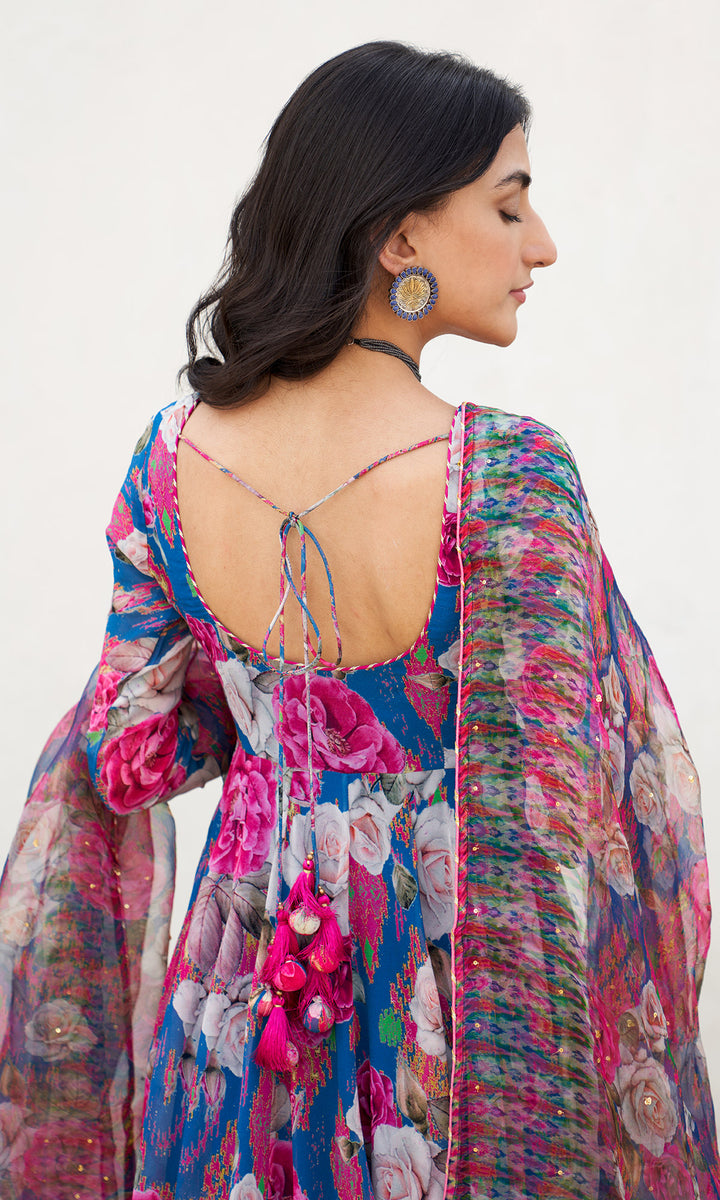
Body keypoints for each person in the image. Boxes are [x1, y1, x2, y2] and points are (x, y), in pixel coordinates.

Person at [0, 39, 716, 1200]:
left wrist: (272, 718)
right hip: (453, 1027)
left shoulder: (169, 463)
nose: (541, 245)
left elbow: (130, 755)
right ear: (402, 239)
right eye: (510, 205)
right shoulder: (511, 484)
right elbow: (588, 817)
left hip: (234, 1012)